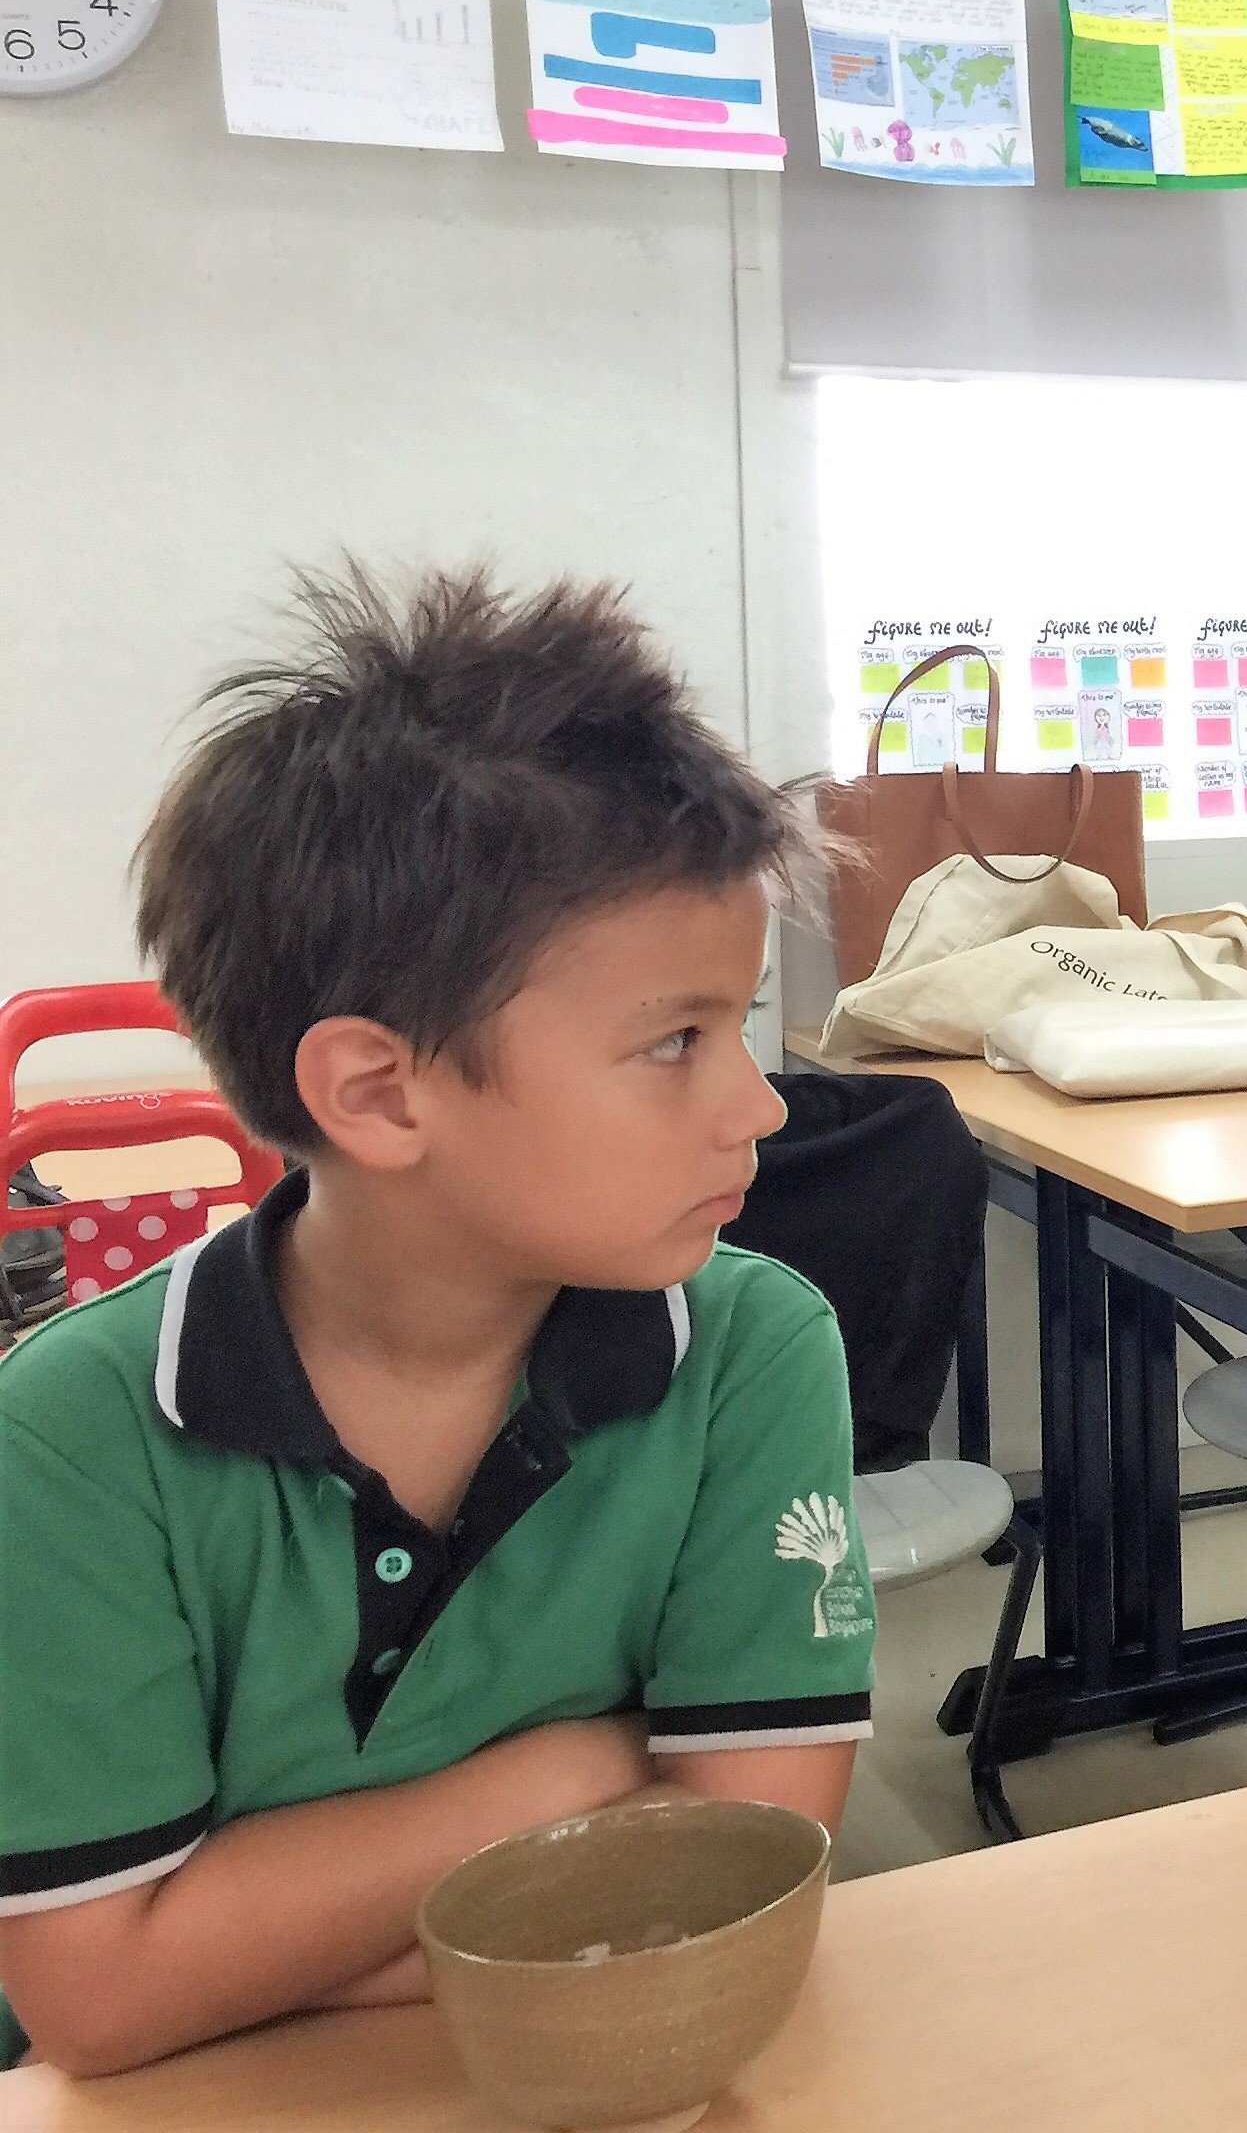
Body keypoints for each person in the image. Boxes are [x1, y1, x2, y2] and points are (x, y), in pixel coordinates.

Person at [0, 569, 874, 2075]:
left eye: (733, 1025)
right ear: (381, 1092)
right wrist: (572, 1772)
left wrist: (238, 1940)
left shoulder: (748, 1347)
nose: (759, 1106)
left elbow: (739, 1880)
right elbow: (96, 2002)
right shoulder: (74, 1433)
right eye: (673, 1040)